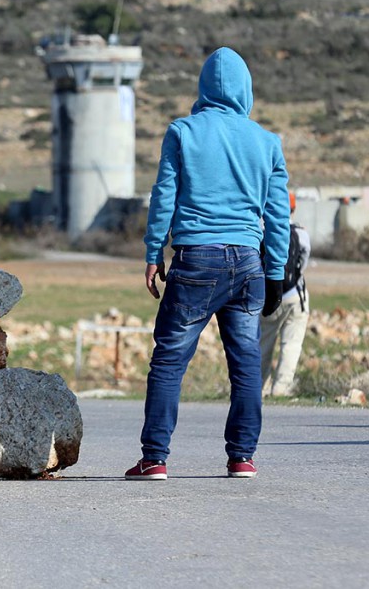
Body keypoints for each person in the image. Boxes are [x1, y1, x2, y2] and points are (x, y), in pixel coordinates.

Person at [126, 47, 289, 481]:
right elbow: (277, 216)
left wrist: (153, 251)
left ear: (203, 88)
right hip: (248, 265)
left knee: (169, 361)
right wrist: (275, 274)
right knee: (246, 365)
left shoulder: (182, 132)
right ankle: (242, 458)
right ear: (246, 90)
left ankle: (155, 459)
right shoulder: (267, 142)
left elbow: (164, 195)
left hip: (196, 259)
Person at [260, 192, 310, 397]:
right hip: (295, 296)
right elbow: (303, 263)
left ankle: (256, 387)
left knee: (263, 344)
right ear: (293, 208)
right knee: (291, 344)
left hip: (268, 297)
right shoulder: (301, 233)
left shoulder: (263, 231)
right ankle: (282, 387)